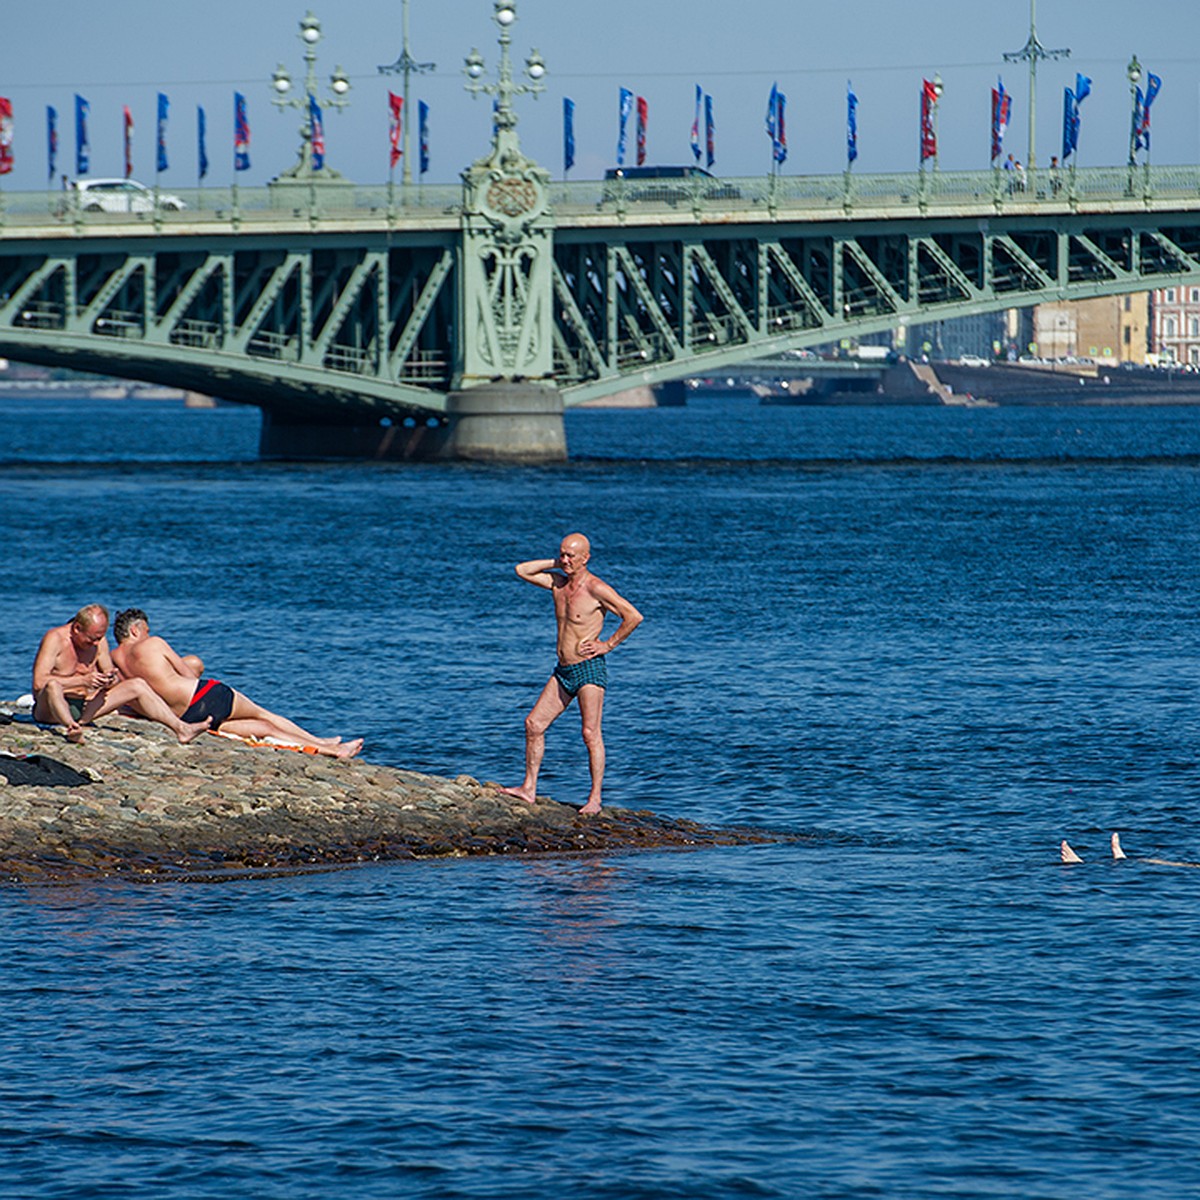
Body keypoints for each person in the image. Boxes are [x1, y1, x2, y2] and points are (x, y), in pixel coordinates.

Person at [501, 533, 643, 814]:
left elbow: (633, 616)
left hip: (589, 668)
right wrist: (558, 563)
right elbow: (522, 570)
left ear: (586, 558)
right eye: (562, 554)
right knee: (534, 724)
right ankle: (528, 788)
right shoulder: (558, 583)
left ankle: (594, 799)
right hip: (563, 670)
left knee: (590, 733)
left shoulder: (596, 588)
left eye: (571, 556)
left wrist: (607, 645)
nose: (565, 560)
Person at [111, 608, 363, 759]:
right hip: (205, 697)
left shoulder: (112, 662)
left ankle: (330, 750)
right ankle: (321, 741)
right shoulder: (153, 642)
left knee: (262, 728)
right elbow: (189, 675)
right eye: (145, 630)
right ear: (136, 630)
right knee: (264, 715)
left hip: (187, 718)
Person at [32, 603, 211, 744]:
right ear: (77, 628)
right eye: (91, 639)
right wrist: (83, 680)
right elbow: (39, 682)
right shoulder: (55, 638)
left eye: (99, 638)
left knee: (137, 685)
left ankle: (181, 728)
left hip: (84, 708)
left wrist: (109, 680)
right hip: (51, 709)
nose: (96, 644)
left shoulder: (98, 642)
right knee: (53, 685)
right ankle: (72, 729)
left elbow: (112, 676)